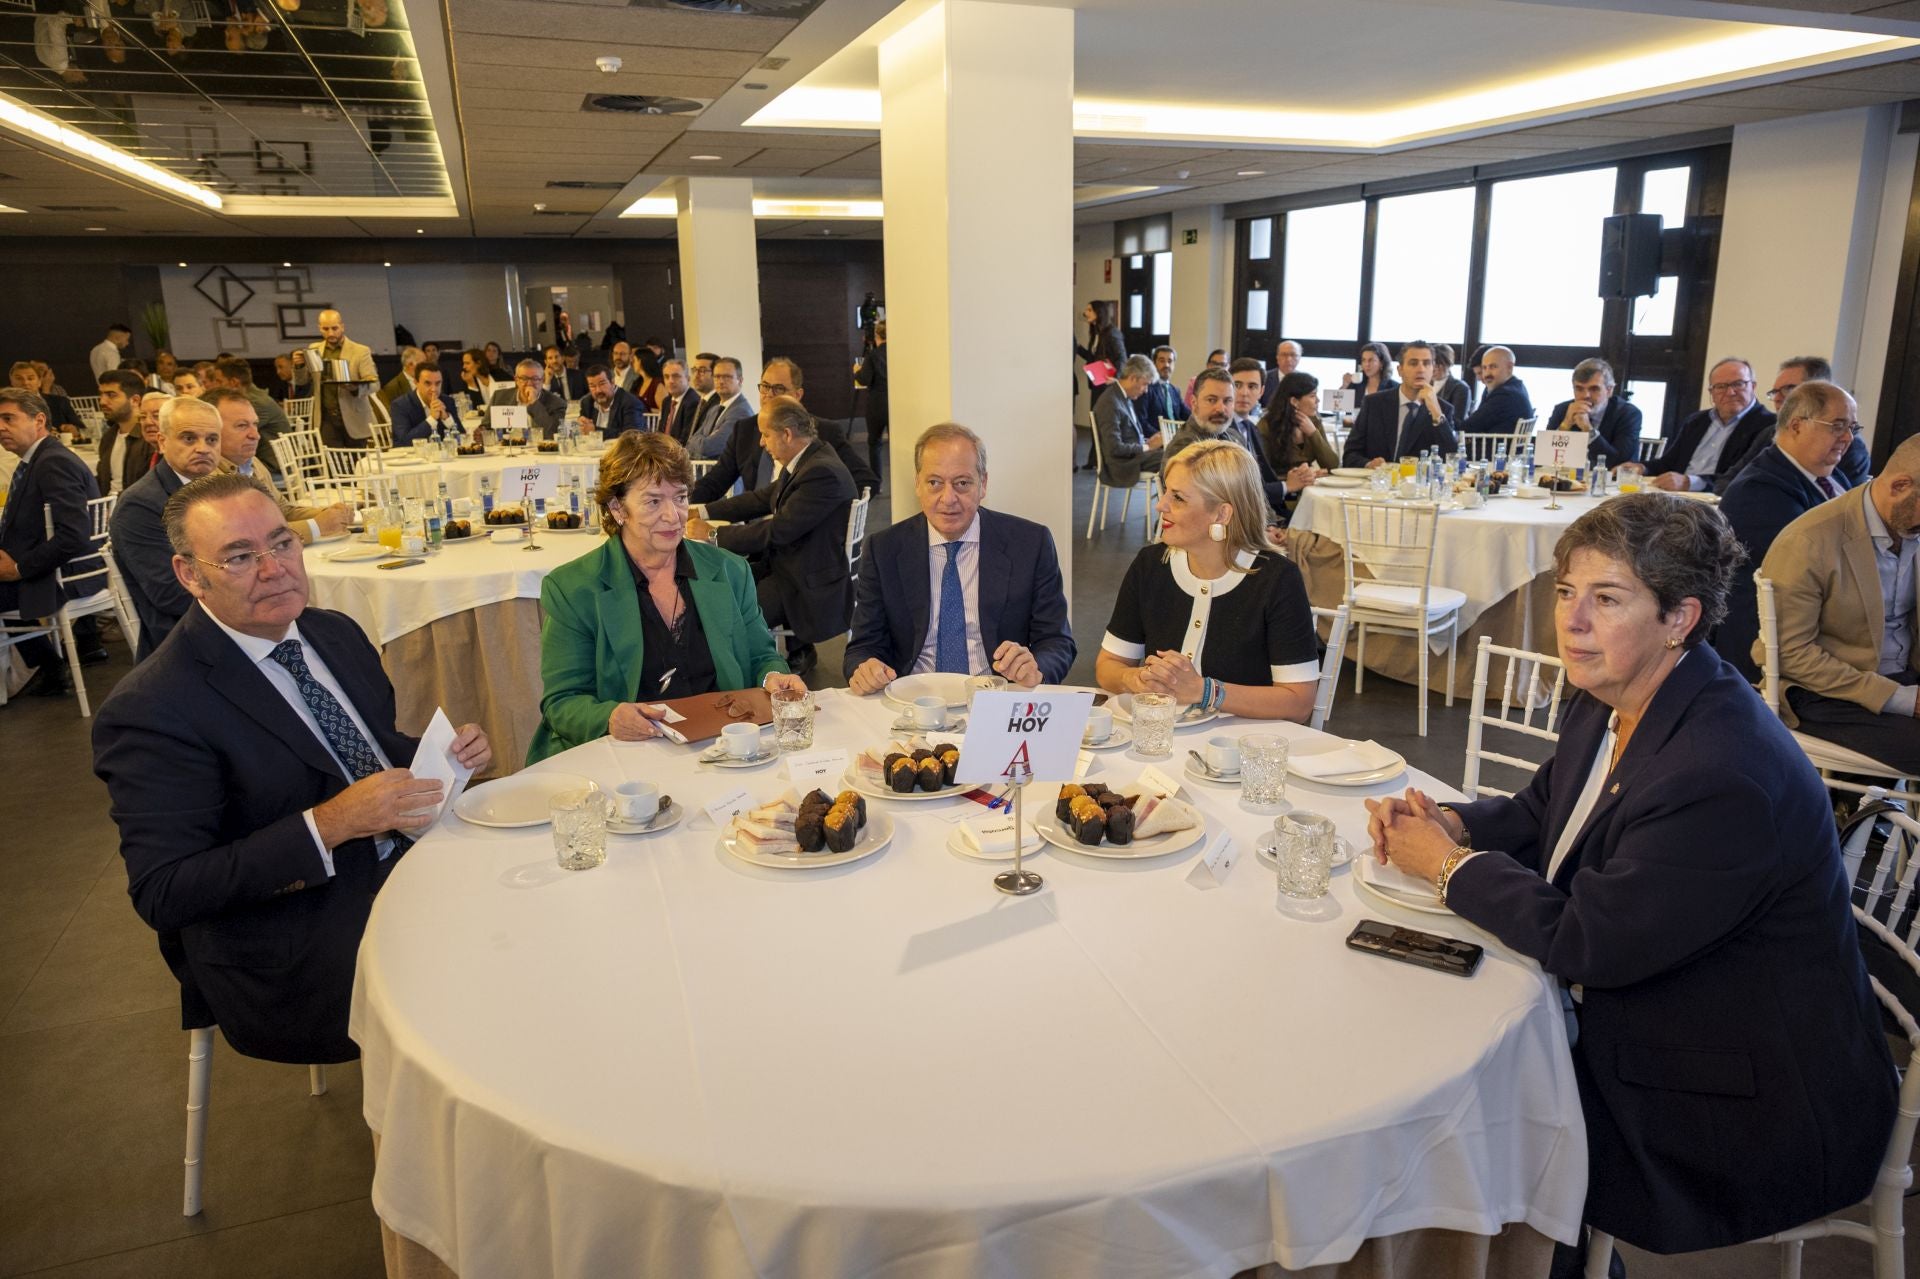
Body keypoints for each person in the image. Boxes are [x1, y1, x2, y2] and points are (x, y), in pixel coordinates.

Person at [1365, 493, 1895, 1260]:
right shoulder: (1618, 689)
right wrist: (1458, 824)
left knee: (1454, 1103)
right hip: (1681, 1008)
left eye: (1606, 599)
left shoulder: (1720, 771)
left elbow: (1588, 941)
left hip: (1737, 1095)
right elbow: (1545, 806)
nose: (1572, 620)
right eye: (1566, 592)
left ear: (1679, 617)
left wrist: (1447, 866)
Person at [93, 472, 491, 1063]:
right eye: (238, 556)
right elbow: (166, 891)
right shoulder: (154, 707)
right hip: (293, 934)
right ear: (189, 574)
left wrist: (443, 756)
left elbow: (365, 747)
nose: (273, 568)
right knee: (492, 980)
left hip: (406, 866)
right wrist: (330, 824)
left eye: (282, 543)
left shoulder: (333, 633)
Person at [529, 433, 803, 761]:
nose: (674, 516)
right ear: (618, 508)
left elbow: (761, 655)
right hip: (628, 756)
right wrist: (610, 717)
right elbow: (563, 702)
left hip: (721, 748)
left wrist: (773, 677)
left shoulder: (729, 571)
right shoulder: (574, 588)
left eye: (681, 497)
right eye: (654, 501)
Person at [1097, 440, 1320, 721]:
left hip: (1242, 752)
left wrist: (1204, 691)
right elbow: (1108, 666)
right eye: (1165, 491)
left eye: (1177, 498)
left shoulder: (1277, 580)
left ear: (1222, 513)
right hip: (1163, 742)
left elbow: (1298, 703)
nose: (1160, 505)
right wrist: (1137, 678)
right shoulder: (1151, 565)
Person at [845, 423, 1075, 692]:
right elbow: (862, 647)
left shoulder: (1030, 543)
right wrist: (866, 668)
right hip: (913, 701)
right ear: (917, 484)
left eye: (962, 483)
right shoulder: (884, 549)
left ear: (983, 484)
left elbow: (1057, 642)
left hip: (996, 697)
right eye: (934, 483)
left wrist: (1035, 668)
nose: (948, 498)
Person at [1761, 434, 1920, 771]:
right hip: (1825, 693)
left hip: (1901, 675)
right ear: (1900, 486)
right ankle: (1865, 816)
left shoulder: (1910, 526)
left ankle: (1869, 815)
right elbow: (1792, 654)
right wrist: (1906, 699)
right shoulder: (1810, 540)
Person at [687, 397, 854, 680]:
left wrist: (714, 533)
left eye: (765, 435)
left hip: (803, 580)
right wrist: (703, 510)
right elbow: (761, 499)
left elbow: (778, 531)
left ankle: (735, 680)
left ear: (787, 434)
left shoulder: (821, 472)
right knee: (721, 587)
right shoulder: (811, 458)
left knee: (734, 612)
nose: (762, 443)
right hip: (788, 565)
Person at [1715, 380, 1858, 682]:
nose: (1847, 438)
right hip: (1770, 649)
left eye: (1852, 429)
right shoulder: (1760, 490)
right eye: (1837, 426)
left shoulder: (1833, 477)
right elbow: (1811, 571)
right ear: (1796, 426)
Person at [0, 387, 105, 695]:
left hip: (70, 574)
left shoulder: (52, 462)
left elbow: (73, 535)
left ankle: (49, 667)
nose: (1, 427)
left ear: (39, 420)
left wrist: (19, 568)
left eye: (8, 418)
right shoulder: (39, 459)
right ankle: (48, 666)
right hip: (57, 567)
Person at [111, 395, 224, 659]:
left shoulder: (219, 489)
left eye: (211, 439)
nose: (203, 448)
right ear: (162, 442)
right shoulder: (140, 506)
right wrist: (245, 599)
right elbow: (171, 594)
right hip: (184, 638)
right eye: (188, 438)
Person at [692, 359, 877, 505]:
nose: (769, 394)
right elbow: (715, 483)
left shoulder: (824, 432)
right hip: (754, 529)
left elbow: (867, 481)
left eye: (779, 389)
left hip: (800, 531)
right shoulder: (745, 430)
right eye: (764, 386)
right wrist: (678, 500)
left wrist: (830, 510)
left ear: (798, 395)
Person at [206, 388, 351, 544]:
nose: (255, 435)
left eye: (255, 424)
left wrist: (329, 514)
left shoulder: (252, 462)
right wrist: (316, 526)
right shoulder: (207, 477)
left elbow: (283, 510)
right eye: (242, 426)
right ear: (211, 431)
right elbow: (248, 538)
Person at [1625, 357, 1775, 494]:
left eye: (1738, 384)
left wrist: (1691, 482)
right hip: (1676, 497)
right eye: (1721, 386)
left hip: (1719, 501)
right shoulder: (1696, 421)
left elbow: (1743, 476)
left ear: (1753, 386)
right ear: (1712, 392)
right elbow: (1669, 462)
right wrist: (1642, 468)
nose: (1730, 392)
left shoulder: (1769, 426)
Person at [1725, 355, 1869, 490]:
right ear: (1795, 427)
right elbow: (1731, 479)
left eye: (1788, 389)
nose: (1777, 398)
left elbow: (1847, 507)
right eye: (1775, 391)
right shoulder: (1769, 433)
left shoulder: (1849, 448)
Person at [1341, 340, 1457, 468]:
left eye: (1426, 363)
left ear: (1433, 369)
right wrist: (1368, 464)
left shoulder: (1442, 410)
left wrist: (1436, 412)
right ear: (1400, 370)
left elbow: (1451, 459)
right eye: (1413, 363)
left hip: (1416, 484)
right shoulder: (1374, 403)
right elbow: (1350, 454)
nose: (1420, 369)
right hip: (1377, 482)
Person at [291, 310, 378, 449]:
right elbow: (302, 382)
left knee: (358, 463)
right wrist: (299, 366)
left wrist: (355, 388)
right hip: (326, 418)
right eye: (326, 329)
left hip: (354, 416)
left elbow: (375, 384)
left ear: (342, 326)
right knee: (333, 464)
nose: (330, 333)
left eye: (334, 328)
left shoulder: (360, 351)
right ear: (319, 328)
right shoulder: (314, 349)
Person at [1545, 358, 1643, 468]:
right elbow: (1545, 458)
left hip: (1613, 483)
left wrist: (1588, 429)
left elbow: (1619, 463)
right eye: (1579, 389)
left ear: (1609, 390)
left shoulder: (1628, 414)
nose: (1585, 395)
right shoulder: (1562, 410)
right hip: (1571, 479)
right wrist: (1566, 424)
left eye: (1594, 389)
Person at [1257, 372, 1339, 494]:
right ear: (1294, 401)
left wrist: (1313, 433)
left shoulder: (1314, 422)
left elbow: (1333, 465)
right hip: (1280, 496)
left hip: (1309, 492)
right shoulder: (1267, 426)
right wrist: (1305, 476)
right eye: (1312, 396)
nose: (1318, 400)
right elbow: (1262, 474)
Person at [1094, 355, 1164, 488]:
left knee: (1176, 454)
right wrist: (1148, 447)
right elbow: (1114, 448)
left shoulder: (1122, 397)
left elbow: (1127, 437)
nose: (1146, 390)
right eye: (1145, 384)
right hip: (1123, 464)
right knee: (1175, 460)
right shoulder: (1110, 402)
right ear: (1133, 378)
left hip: (1133, 458)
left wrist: (1147, 442)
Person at [93, 368, 153, 496]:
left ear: (135, 400)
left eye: (111, 395)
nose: (102, 401)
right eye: (101, 394)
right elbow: (102, 482)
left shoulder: (149, 438)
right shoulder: (109, 437)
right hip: (107, 508)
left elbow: (149, 488)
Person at [685, 357, 753, 460]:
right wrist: (701, 440)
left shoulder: (741, 411)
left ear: (740, 380)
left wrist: (699, 440)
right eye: (717, 376)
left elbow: (709, 448)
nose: (721, 381)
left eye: (727, 377)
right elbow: (690, 441)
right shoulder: (714, 409)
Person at [1164, 367, 1236, 462]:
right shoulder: (1185, 449)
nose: (1221, 409)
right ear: (1194, 403)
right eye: (1211, 400)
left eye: (1227, 401)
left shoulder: (1234, 436)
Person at [1459, 345, 1533, 434]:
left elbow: (1467, 428)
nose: (1486, 374)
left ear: (1509, 367)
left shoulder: (1505, 396)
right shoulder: (1517, 386)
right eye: (1484, 368)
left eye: (1493, 367)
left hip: (1495, 447)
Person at [489, 360, 567, 440]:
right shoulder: (498, 397)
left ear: (542, 380)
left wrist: (534, 403)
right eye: (524, 378)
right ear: (516, 380)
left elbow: (553, 434)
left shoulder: (557, 403)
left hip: (538, 449)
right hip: (505, 450)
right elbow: (486, 428)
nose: (529, 383)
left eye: (535, 379)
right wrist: (481, 431)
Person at [389, 361, 462, 447]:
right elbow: (404, 441)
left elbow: (462, 437)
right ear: (416, 382)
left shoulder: (447, 401)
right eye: (428, 383)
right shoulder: (400, 405)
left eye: (438, 383)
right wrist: (432, 419)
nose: (434, 389)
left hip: (442, 456)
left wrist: (446, 418)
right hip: (411, 458)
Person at [853, 319, 889, 478]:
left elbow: (864, 379)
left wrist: (856, 371)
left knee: (875, 443)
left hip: (876, 404)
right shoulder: (899, 352)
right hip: (895, 403)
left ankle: (877, 480)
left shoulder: (874, 355)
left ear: (877, 335)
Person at [577, 365, 646, 436]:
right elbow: (583, 428)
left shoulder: (630, 403)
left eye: (602, 384)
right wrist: (582, 423)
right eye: (592, 386)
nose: (598, 390)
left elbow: (632, 435)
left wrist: (596, 430)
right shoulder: (587, 402)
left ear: (612, 383)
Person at [1137, 344, 1186, 428]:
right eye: (1162, 361)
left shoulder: (1175, 391)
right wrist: (1162, 436)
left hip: (1177, 437)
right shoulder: (1146, 388)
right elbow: (1141, 421)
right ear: (1154, 363)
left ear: (1174, 365)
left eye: (1170, 361)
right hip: (1155, 438)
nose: (1166, 365)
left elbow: (1187, 415)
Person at [657, 359, 699, 443]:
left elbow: (686, 438)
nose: (671, 381)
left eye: (676, 376)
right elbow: (661, 432)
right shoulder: (667, 401)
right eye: (666, 377)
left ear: (688, 379)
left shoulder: (693, 401)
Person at [1432, 343, 1472, 423]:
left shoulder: (1460, 388)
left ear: (1449, 365)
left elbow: (1457, 420)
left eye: (1441, 365)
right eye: (1433, 365)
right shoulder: (1423, 385)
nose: (1435, 369)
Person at [1259, 339, 1301, 409]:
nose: (1288, 359)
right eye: (1284, 355)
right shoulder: (1264, 377)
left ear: (1299, 358)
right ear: (1277, 357)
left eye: (1293, 355)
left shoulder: (1305, 381)